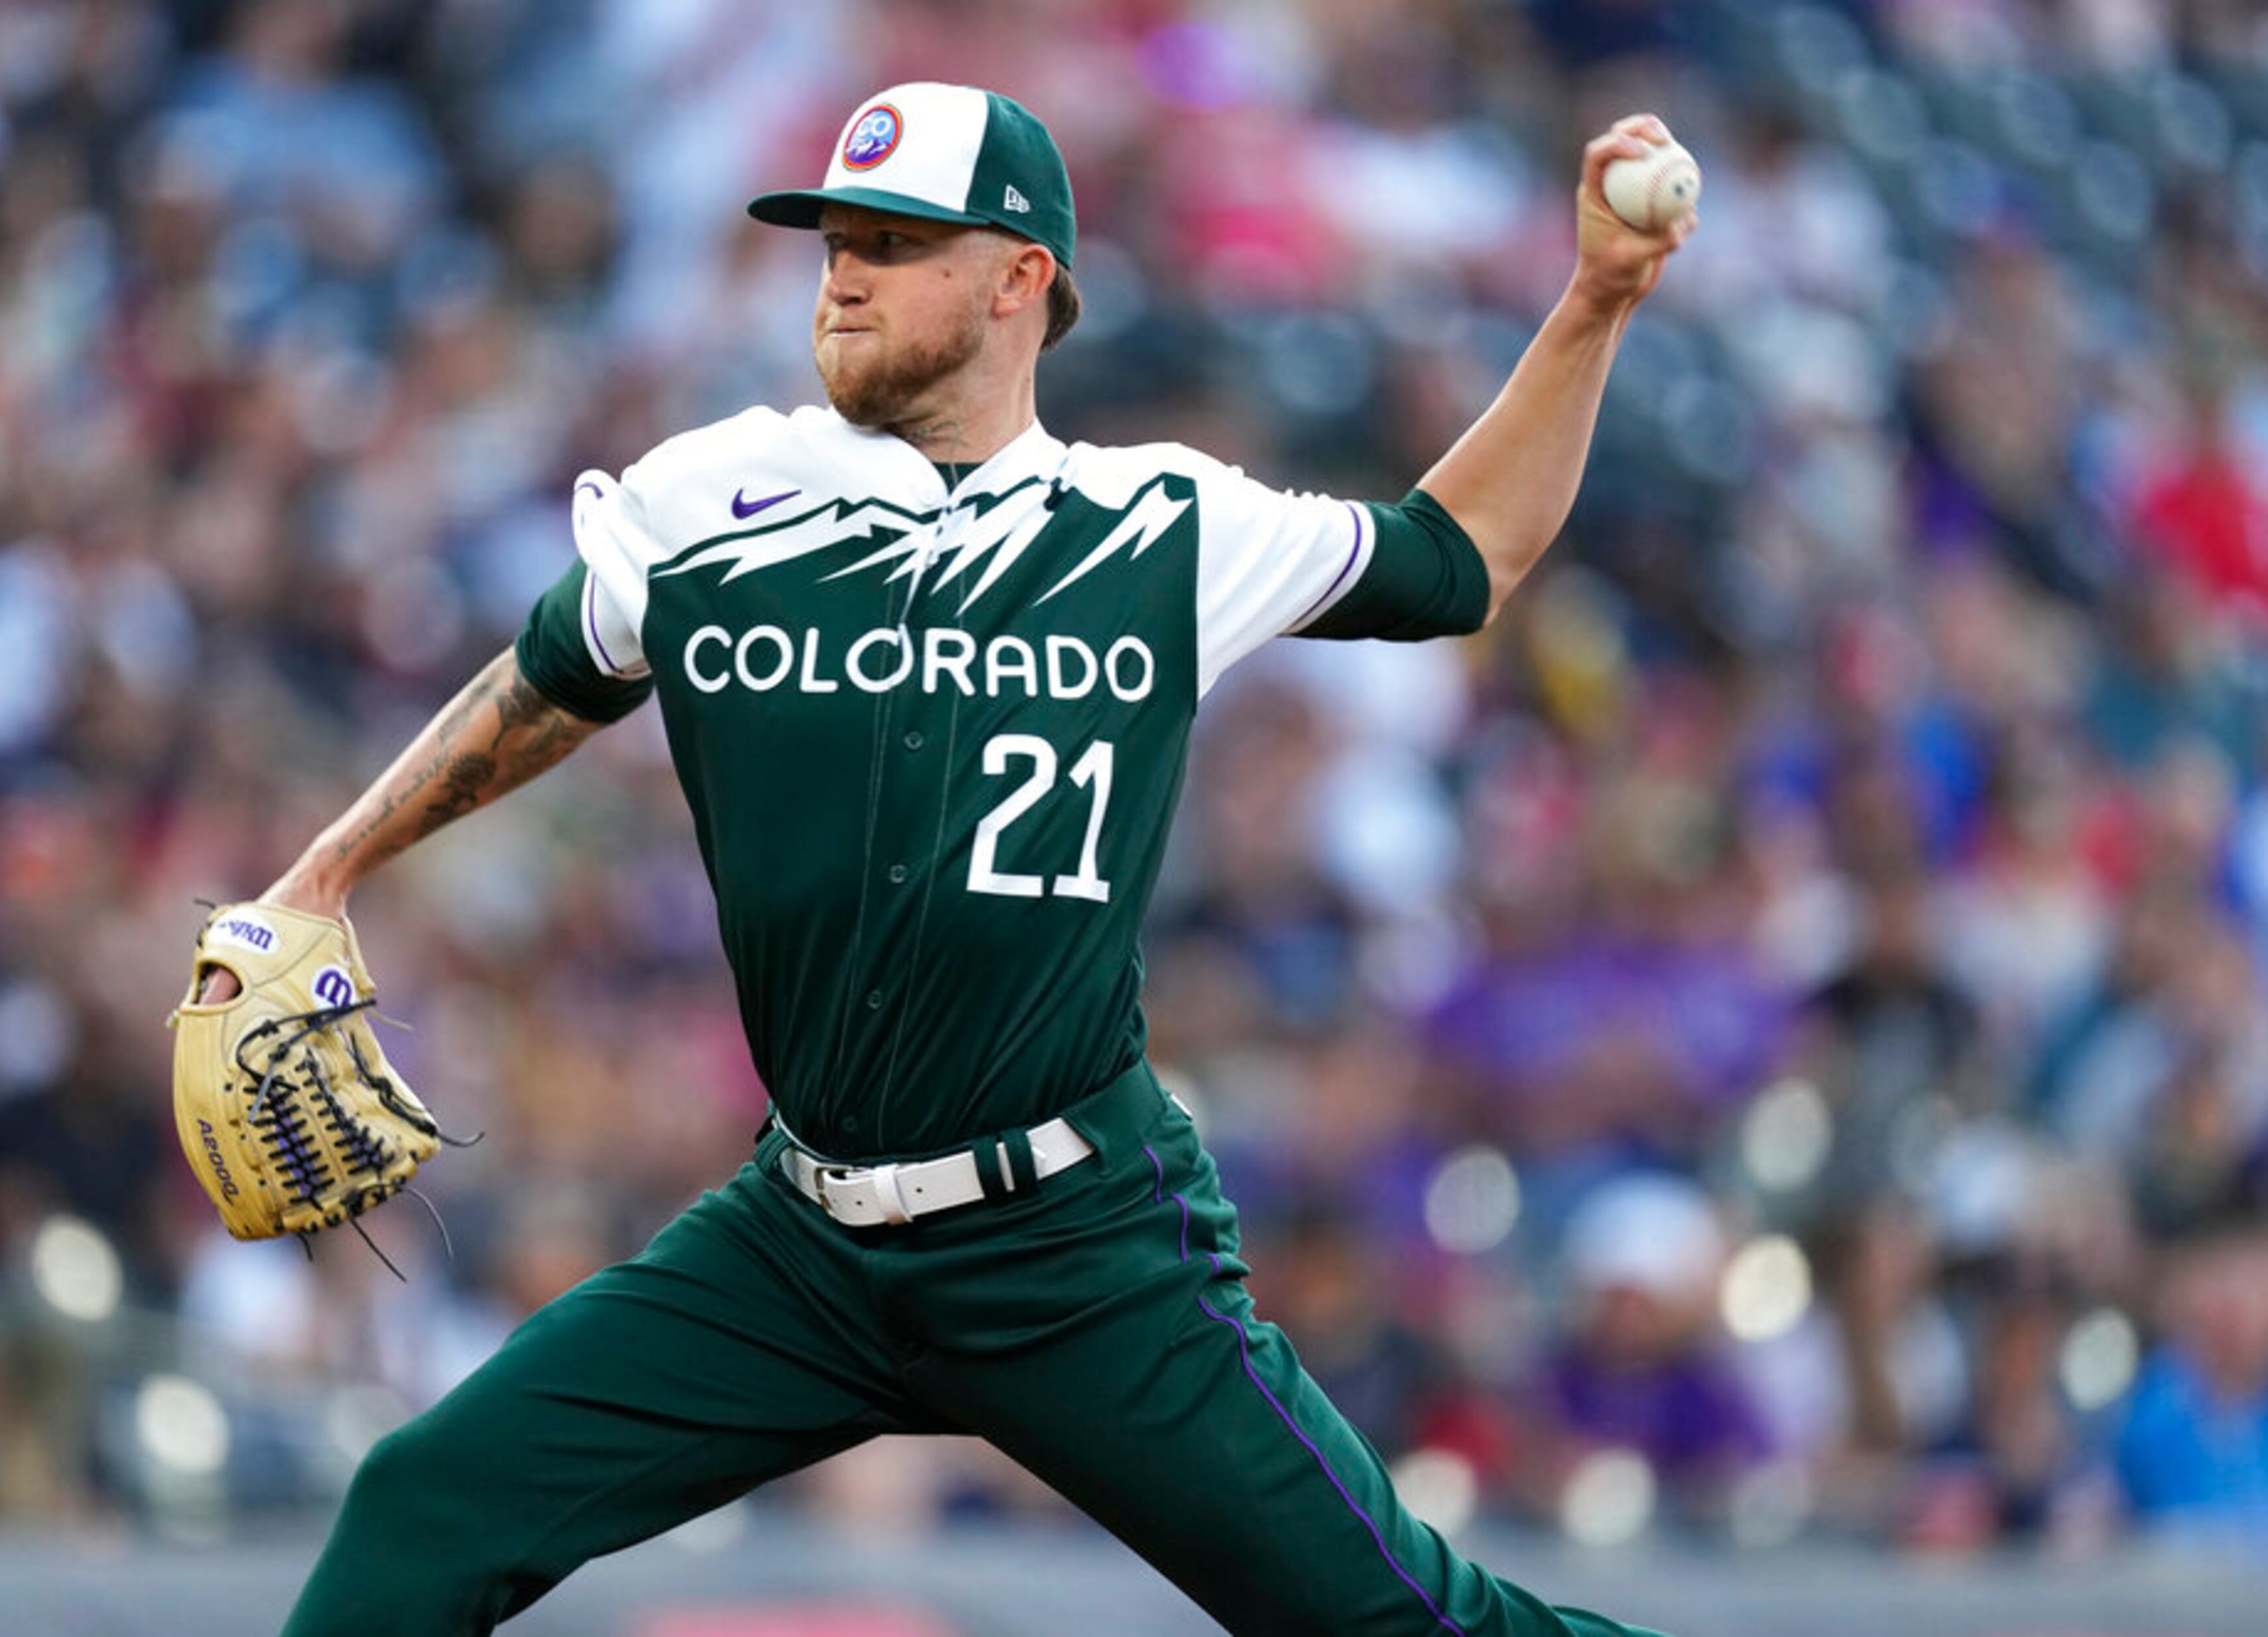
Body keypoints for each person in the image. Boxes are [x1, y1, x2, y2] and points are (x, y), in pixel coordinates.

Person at [252, 82, 1691, 1637]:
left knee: (1409, 1625)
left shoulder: (1158, 526)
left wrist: (1598, 301)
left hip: (1075, 1240)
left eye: (892, 240)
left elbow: (1467, 553)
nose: (843, 273)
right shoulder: (712, 499)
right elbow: (552, 679)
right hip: (800, 1239)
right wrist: (323, 871)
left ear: (1020, 278)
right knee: (424, 1505)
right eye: (831, 243)